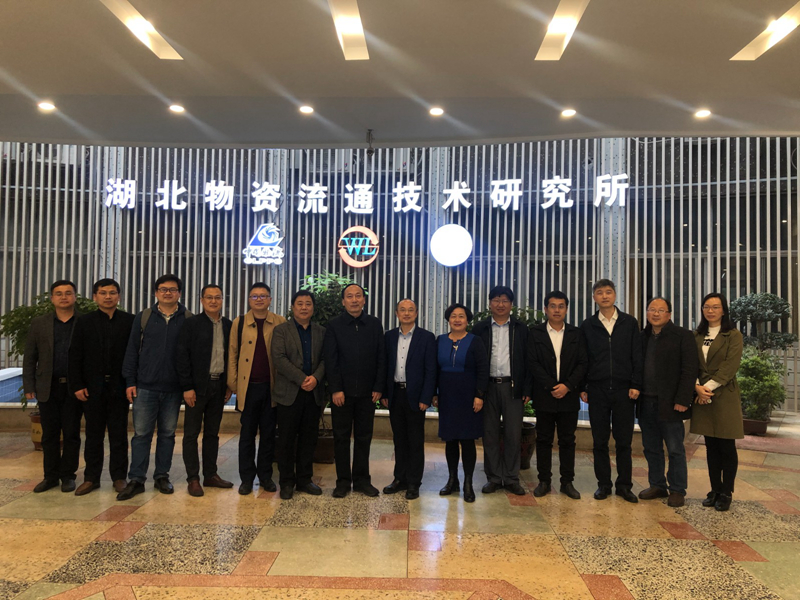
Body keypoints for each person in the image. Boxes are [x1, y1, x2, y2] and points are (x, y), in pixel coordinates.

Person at [118, 274, 192, 500]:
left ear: (179, 293)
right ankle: (136, 479)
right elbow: (132, 350)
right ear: (156, 292)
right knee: (141, 435)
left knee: (167, 434)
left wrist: (188, 385)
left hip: (173, 388)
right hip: (145, 387)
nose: (167, 293)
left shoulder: (188, 319)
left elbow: (192, 356)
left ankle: (162, 476)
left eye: (172, 289)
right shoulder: (144, 317)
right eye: (163, 289)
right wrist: (130, 381)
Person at [68, 278, 134, 496]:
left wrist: (132, 383)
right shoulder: (84, 322)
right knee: (93, 435)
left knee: (119, 435)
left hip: (119, 387)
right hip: (92, 388)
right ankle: (91, 478)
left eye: (112, 293)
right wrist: (77, 384)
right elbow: (75, 355)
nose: (108, 297)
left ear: (119, 296)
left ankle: (119, 477)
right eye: (103, 293)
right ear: (95, 296)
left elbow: (135, 355)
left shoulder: (130, 321)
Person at [580, 279, 643, 504]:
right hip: (597, 390)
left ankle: (624, 485)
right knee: (600, 441)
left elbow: (637, 355)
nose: (604, 296)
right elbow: (583, 359)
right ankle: (604, 485)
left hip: (624, 391)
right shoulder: (588, 325)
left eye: (608, 292)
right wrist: (583, 387)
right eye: (600, 293)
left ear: (615, 295)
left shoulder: (629, 322)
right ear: (594, 298)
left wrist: (636, 384)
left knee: (623, 441)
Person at [323, 283, 386, 498]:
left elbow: (381, 357)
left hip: (368, 393)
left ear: (364, 300)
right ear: (343, 301)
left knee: (364, 437)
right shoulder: (334, 325)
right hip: (342, 394)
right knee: (341, 438)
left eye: (358, 296)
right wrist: (336, 389)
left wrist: (378, 386)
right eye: (349, 296)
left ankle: (361, 480)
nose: (354, 300)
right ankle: (342, 481)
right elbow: (331, 360)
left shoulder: (374, 324)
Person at [637, 297, 697, 508]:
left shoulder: (682, 336)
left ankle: (678, 489)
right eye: (652, 309)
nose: (655, 313)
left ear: (669, 314)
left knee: (675, 448)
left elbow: (690, 369)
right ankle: (657, 485)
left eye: (660, 310)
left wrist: (683, 399)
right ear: (647, 313)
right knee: (651, 448)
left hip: (671, 403)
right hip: (645, 401)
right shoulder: (642, 337)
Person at [528, 291, 588, 500]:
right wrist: (553, 385)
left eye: (561, 306)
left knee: (567, 441)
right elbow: (532, 363)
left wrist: (568, 386)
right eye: (552, 306)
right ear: (545, 309)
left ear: (566, 309)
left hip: (568, 396)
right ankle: (544, 481)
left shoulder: (576, 334)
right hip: (544, 395)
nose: (556, 310)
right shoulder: (535, 333)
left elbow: (583, 363)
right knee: (543, 440)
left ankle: (567, 482)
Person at [23, 280, 81, 493]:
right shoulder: (39, 323)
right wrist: (29, 385)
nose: (63, 297)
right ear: (52, 298)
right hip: (48, 387)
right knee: (49, 435)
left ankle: (68, 476)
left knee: (72, 434)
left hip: (74, 388)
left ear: (75, 296)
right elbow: (30, 356)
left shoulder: (84, 322)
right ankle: (50, 476)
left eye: (68, 293)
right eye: (59, 293)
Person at [471, 285, 530, 496]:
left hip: (513, 388)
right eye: (496, 300)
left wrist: (527, 388)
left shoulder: (521, 329)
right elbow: (474, 361)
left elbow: (529, 360)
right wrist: (477, 391)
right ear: (489, 304)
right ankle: (494, 477)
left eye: (505, 300)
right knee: (490, 434)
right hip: (487, 388)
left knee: (513, 434)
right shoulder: (480, 329)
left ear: (511, 304)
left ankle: (512, 478)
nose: (500, 304)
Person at [176, 284, 233, 497]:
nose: (213, 301)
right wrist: (187, 387)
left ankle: (210, 474)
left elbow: (232, 357)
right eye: (209, 297)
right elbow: (182, 356)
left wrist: (229, 385)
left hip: (219, 386)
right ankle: (193, 478)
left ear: (222, 300)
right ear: (201, 300)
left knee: (212, 433)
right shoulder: (191, 324)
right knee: (191, 434)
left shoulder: (228, 325)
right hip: (197, 387)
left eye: (217, 297)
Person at [228, 282, 286, 495]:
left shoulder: (280, 322)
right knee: (247, 435)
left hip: (271, 388)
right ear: (249, 300)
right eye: (255, 296)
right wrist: (234, 384)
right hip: (248, 388)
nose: (259, 299)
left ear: (270, 299)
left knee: (269, 435)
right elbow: (232, 353)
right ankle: (246, 479)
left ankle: (265, 476)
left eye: (263, 296)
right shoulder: (239, 322)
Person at [690, 293, 744, 512]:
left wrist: (707, 388)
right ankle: (714, 489)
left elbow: (730, 366)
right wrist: (697, 387)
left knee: (726, 446)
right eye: (706, 307)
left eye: (715, 307)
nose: (710, 311)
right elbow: (690, 363)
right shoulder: (696, 335)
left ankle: (726, 492)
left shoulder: (733, 335)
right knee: (710, 445)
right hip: (701, 395)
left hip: (724, 394)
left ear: (723, 310)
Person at [271, 290, 326, 500]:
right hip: (289, 393)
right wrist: (302, 379)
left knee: (308, 438)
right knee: (286, 439)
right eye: (300, 303)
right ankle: (286, 482)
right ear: (293, 307)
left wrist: (316, 378)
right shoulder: (281, 330)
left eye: (308, 303)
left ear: (313, 307)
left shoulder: (321, 331)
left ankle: (304, 479)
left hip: (313, 393)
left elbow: (326, 359)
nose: (304, 307)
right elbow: (279, 358)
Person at [381, 299, 437, 500]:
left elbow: (431, 370)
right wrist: (384, 393)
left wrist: (426, 397)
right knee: (399, 439)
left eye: (410, 310)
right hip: (395, 394)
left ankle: (414, 482)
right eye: (402, 310)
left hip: (416, 396)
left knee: (415, 440)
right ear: (397, 313)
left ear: (417, 313)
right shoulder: (389, 337)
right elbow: (384, 366)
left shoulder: (427, 337)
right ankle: (399, 478)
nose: (406, 313)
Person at [435, 303, 489, 503]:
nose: (457, 319)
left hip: (468, 396)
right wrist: (434, 393)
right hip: (447, 395)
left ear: (467, 320)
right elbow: (434, 369)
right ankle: (452, 480)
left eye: (461, 316)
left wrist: (479, 395)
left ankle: (468, 482)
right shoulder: (440, 340)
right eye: (453, 316)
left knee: (467, 440)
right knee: (450, 439)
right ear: (448, 319)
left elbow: (483, 369)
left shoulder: (475, 341)